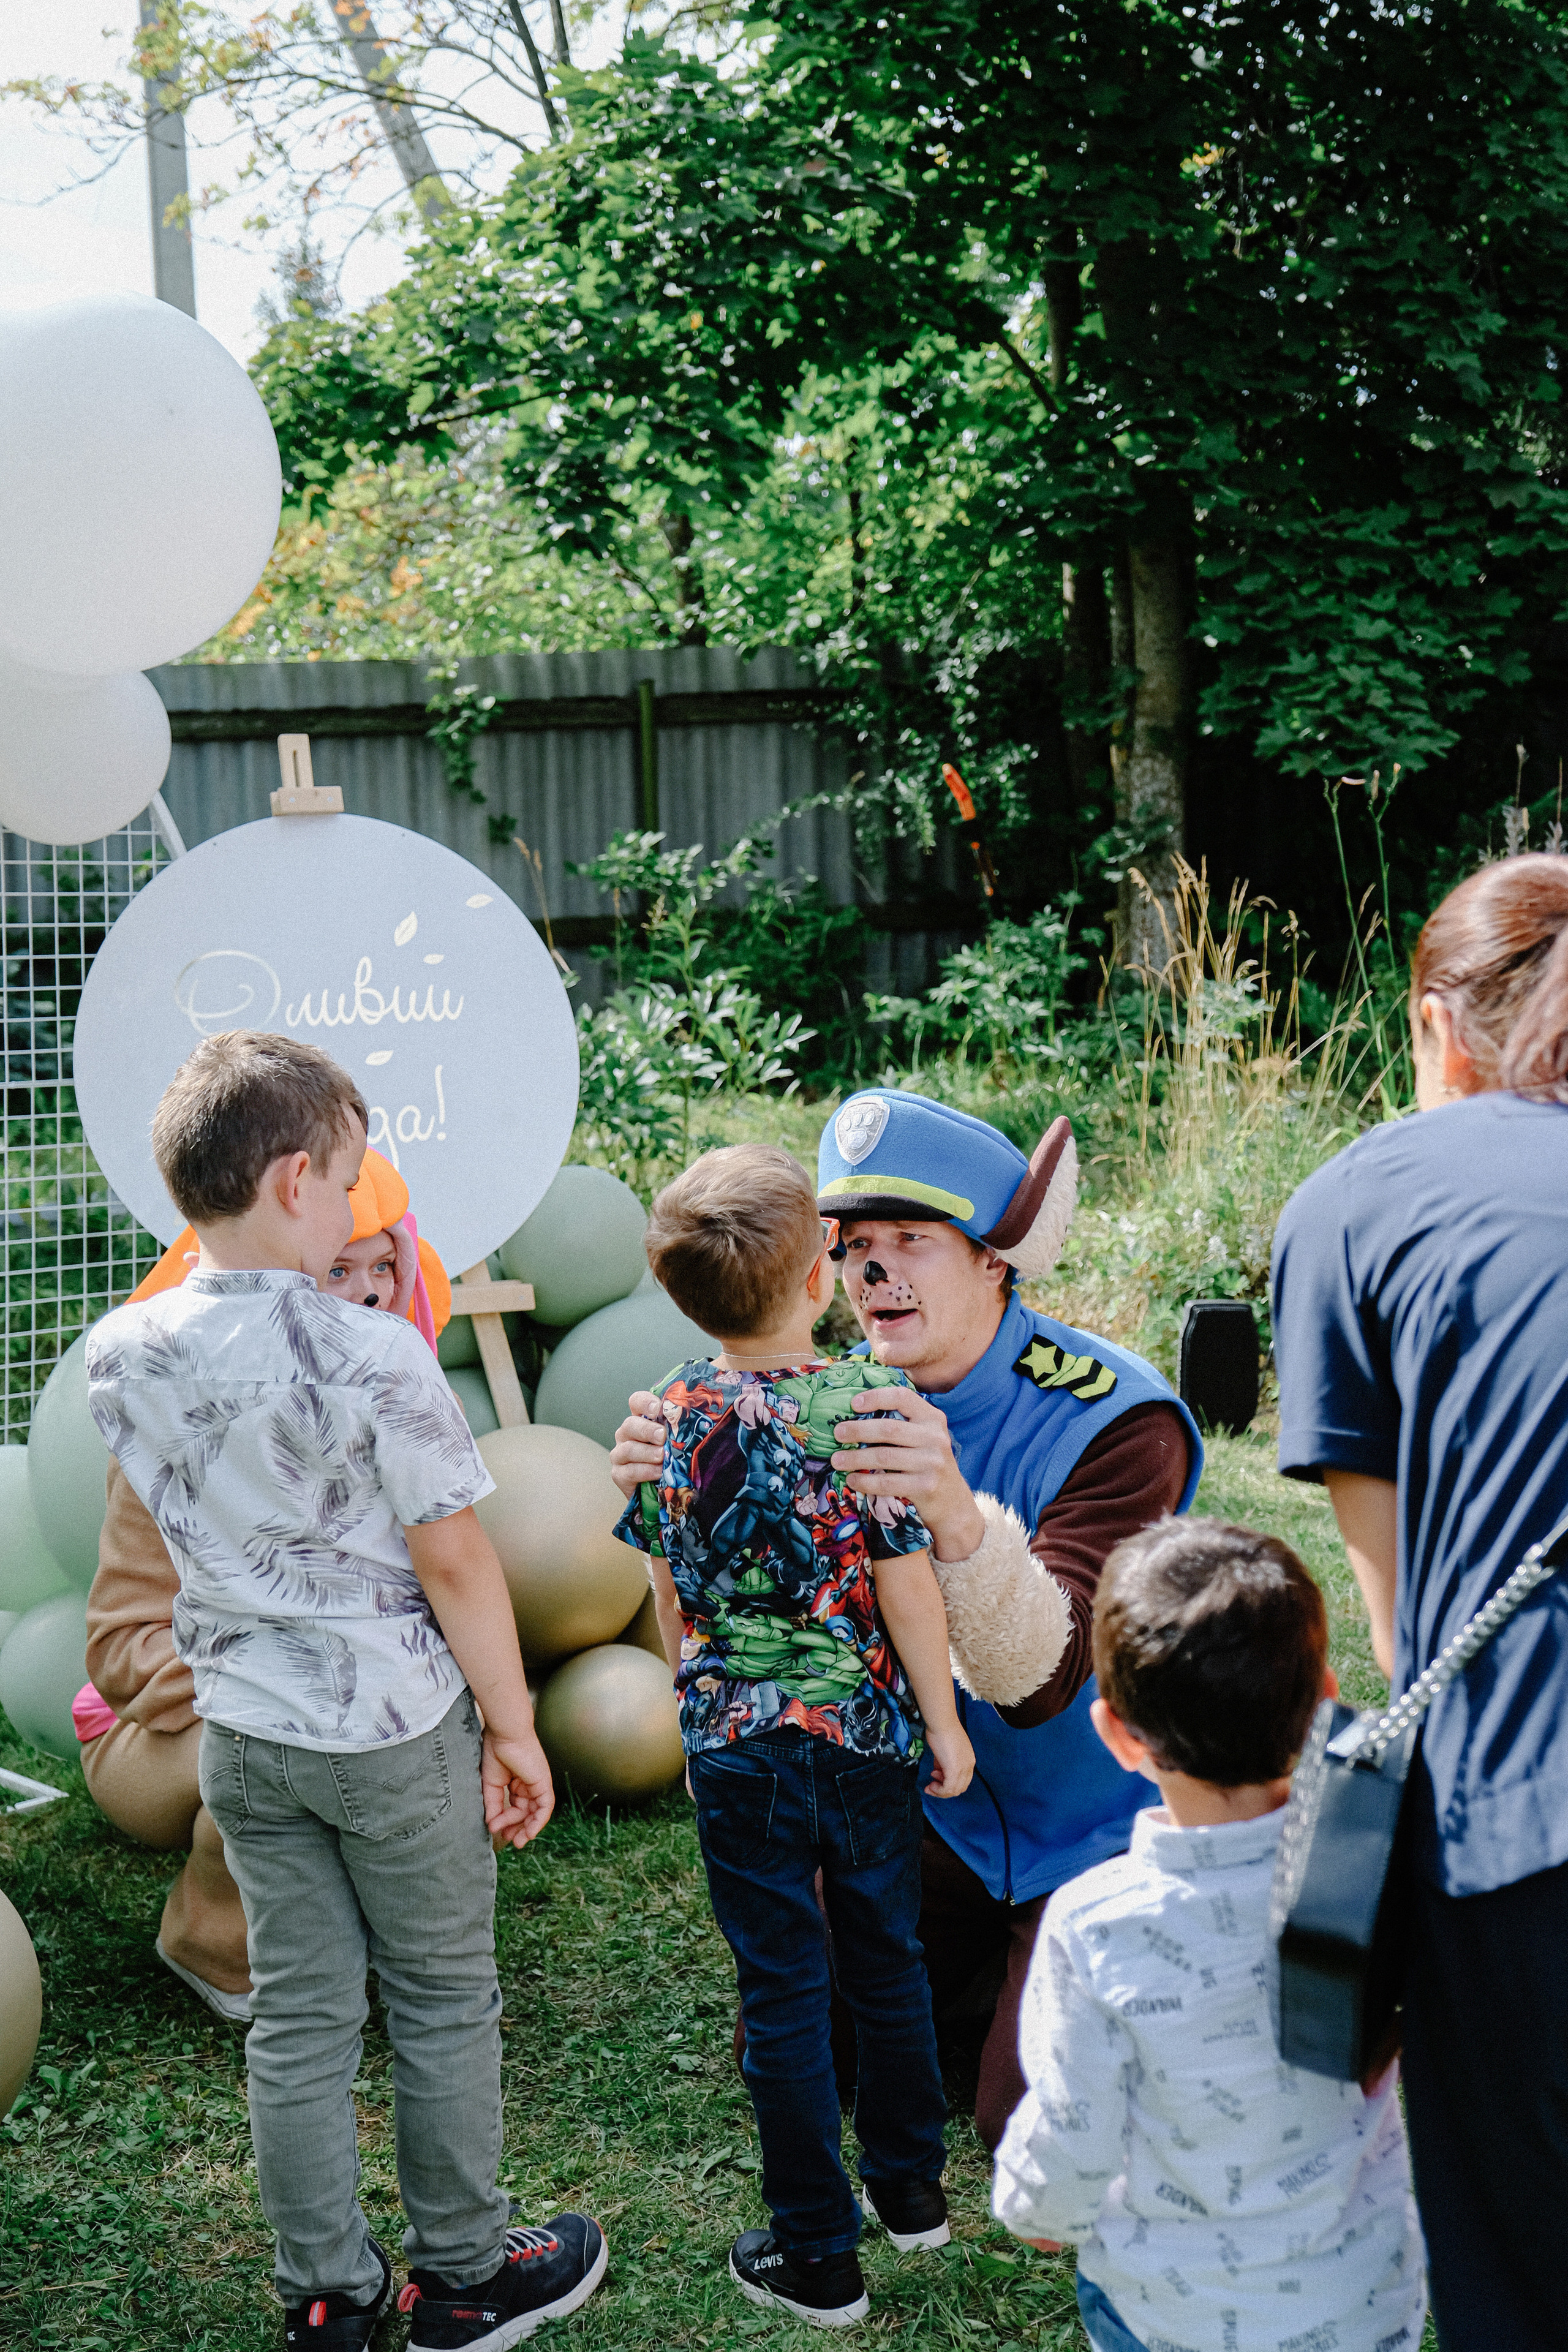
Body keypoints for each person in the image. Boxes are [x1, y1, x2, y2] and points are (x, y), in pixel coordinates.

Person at [84, 1033, 606, 2352]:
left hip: (243, 1739)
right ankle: (467, 2275)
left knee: (301, 2017)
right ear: (292, 1181)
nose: (355, 1211)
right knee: (440, 1996)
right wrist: (511, 1726)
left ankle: (324, 2295)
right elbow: (455, 1560)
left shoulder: (121, 1349)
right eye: (348, 1178)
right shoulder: (375, 1357)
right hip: (388, 1733)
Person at [612, 1091, 1203, 2148]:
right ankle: (979, 1984)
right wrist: (672, 1476)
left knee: (1027, 2122)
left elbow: (1040, 1683)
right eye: (854, 1244)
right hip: (929, 1810)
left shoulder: (1119, 1418)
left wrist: (953, 1513)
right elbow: (736, 1607)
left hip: (1094, 1829)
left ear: (993, 1258)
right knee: (802, 2044)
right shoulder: (820, 1400)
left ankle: (1052, 1981)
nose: (874, 1272)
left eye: (912, 1239)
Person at [1271, 850, 1568, 2352]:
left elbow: (1402, 1627)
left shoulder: (1358, 1197)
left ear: (1436, 1027)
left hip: (1524, 1811)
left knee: (1517, 2269)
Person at [616, 1144, 974, 2328]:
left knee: (782, 1987)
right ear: (821, 1276)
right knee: (888, 1959)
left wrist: (698, 1705)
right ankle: (911, 2193)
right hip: (864, 1734)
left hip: (738, 1743)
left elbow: (671, 1593)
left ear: (681, 1297)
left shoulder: (668, 1416)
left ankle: (816, 2251)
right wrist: (942, 1721)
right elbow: (907, 1585)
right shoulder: (870, 1405)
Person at [991, 1516, 1428, 2352]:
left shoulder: (1095, 1926)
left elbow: (1074, 2129)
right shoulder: (1389, 1864)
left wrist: (1033, 2205)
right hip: (1360, 2304)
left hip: (1169, 2316)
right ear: (1324, 1698)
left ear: (1118, 1735)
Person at [74, 1147, 451, 2023]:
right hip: (166, 1728)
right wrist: (293, 1667)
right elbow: (121, 1651)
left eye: (383, 1268)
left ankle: (361, 1931)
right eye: (338, 1270)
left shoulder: (393, 1398)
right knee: (289, 1747)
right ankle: (212, 1940)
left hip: (340, 1686)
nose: (367, 1294)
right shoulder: (176, 1423)